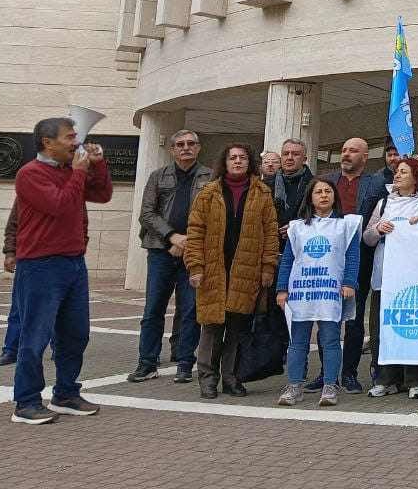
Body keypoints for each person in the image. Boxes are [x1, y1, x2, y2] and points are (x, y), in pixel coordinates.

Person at [9, 117, 112, 425]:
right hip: (40, 265)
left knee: (75, 333)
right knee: (35, 335)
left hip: (73, 263)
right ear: (47, 142)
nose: (76, 142)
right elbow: (60, 205)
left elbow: (103, 194)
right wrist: (79, 171)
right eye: (69, 137)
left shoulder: (69, 171)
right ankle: (26, 402)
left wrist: (98, 165)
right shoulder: (30, 174)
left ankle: (65, 394)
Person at [185, 142, 279, 400]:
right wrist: (195, 266)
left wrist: (268, 267)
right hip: (214, 270)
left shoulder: (262, 193)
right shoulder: (208, 193)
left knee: (238, 328)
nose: (237, 161)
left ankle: (231, 378)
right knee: (212, 327)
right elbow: (195, 232)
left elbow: (271, 233)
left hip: (246, 271)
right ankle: (207, 378)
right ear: (224, 163)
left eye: (242, 157)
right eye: (232, 158)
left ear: (250, 162)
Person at [128, 129, 210, 385]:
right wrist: (172, 237)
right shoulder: (157, 176)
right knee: (153, 309)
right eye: (180, 144)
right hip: (160, 251)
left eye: (191, 143)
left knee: (190, 310)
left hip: (194, 253)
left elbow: (213, 217)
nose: (186, 148)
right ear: (172, 149)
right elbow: (147, 214)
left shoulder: (210, 177)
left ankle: (185, 363)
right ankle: (147, 363)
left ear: (198, 148)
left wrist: (187, 242)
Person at [275, 178, 360, 407]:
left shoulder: (346, 225)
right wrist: (282, 289)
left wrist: (349, 282)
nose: (323, 195)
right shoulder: (296, 227)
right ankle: (294, 386)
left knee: (330, 339)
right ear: (310, 198)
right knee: (297, 341)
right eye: (318, 192)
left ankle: (330, 385)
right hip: (300, 292)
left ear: (334, 196)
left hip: (331, 291)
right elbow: (287, 260)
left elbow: (352, 257)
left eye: (328, 191)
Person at [364, 157, 418, 399]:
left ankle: (415, 380)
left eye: (403, 172)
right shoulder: (383, 203)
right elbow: (367, 237)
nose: (397, 176)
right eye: (397, 172)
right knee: (381, 330)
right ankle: (385, 379)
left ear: (416, 177)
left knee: (413, 328)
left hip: (414, 279)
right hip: (384, 277)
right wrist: (378, 230)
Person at [317, 137, 385, 394]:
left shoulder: (376, 184)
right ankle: (326, 373)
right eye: (344, 150)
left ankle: (349, 373)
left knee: (354, 319)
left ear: (365, 157)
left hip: (360, 258)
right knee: (327, 315)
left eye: (353, 151)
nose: (346, 154)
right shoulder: (326, 182)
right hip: (327, 259)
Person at [272, 138, 313, 239]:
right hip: (272, 242)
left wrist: (297, 227)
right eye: (286, 154)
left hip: (302, 241)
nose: (289, 158)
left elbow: (321, 216)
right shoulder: (266, 184)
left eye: (295, 154)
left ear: (304, 159)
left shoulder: (315, 185)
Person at [0, 202, 19, 367]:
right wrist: (10, 253)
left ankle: (58, 348)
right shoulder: (28, 191)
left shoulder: (70, 190)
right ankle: (11, 350)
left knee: (58, 307)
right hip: (29, 260)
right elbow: (13, 225)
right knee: (18, 308)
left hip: (61, 260)